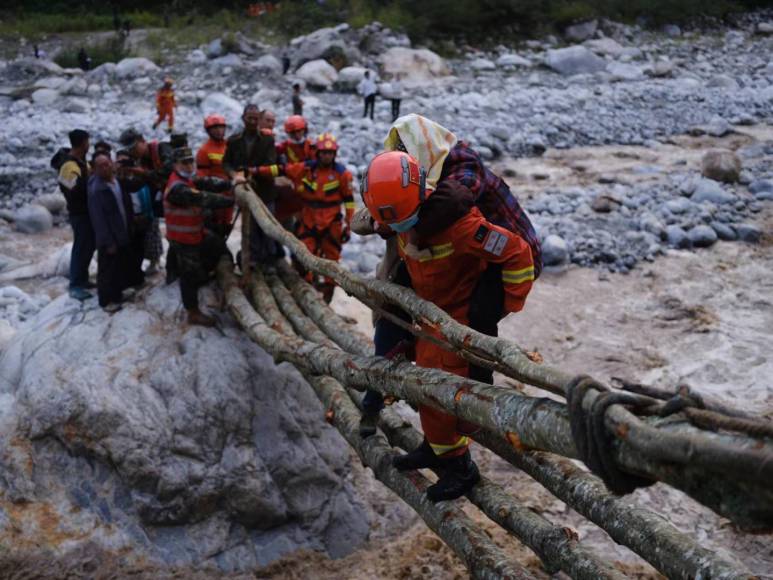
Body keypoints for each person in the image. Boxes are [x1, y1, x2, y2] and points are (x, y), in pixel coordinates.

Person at [361, 150, 536, 502]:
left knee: (447, 393)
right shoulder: (399, 213)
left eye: (397, 223)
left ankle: (460, 469)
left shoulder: (462, 225)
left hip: (457, 320)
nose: (393, 231)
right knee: (428, 390)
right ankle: (437, 448)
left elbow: (517, 253)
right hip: (429, 317)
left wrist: (501, 305)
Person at [356, 114, 543, 437]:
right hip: (467, 254)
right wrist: (382, 216)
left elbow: (453, 202)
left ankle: (478, 400)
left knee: (478, 321)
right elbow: (373, 210)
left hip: (502, 254)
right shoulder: (416, 173)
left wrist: (404, 223)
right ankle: (393, 378)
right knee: (396, 299)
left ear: (421, 146)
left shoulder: (460, 164)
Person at [164, 147, 234, 326]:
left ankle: (208, 274)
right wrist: (232, 200)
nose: (188, 166)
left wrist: (230, 184)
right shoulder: (177, 188)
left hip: (195, 233)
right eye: (184, 163)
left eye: (190, 162)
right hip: (183, 239)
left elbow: (207, 182)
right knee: (189, 275)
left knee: (217, 246)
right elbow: (203, 197)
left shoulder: (188, 179)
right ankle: (192, 312)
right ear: (175, 165)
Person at [285, 133, 354, 303]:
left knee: (332, 262)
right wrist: (255, 171)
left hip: (332, 223)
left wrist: (349, 225)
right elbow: (283, 169)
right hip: (309, 220)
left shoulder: (342, 174)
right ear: (318, 153)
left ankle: (327, 300)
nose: (326, 156)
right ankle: (305, 293)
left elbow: (349, 201)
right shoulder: (307, 168)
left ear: (334, 154)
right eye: (323, 152)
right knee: (302, 256)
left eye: (330, 153)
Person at [222, 103, 282, 265]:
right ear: (243, 118)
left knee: (269, 227)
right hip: (245, 191)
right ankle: (253, 261)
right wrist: (234, 174)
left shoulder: (268, 140)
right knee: (250, 228)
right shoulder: (234, 141)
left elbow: (270, 162)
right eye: (250, 118)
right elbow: (226, 162)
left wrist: (250, 172)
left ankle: (270, 262)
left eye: (256, 118)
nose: (253, 122)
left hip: (265, 191)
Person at [118, 128, 173, 276]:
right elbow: (139, 184)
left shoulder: (162, 149)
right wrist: (120, 178)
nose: (133, 153)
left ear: (142, 141)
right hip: (166, 201)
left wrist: (143, 173)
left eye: (133, 148)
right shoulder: (141, 161)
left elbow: (169, 170)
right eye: (129, 150)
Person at [88, 153, 135, 313]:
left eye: (107, 164)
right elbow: (98, 219)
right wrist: (108, 242)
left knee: (119, 266)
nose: (105, 168)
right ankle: (106, 301)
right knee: (107, 269)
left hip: (120, 231)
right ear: (95, 169)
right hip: (109, 237)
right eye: (101, 166)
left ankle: (118, 294)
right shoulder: (97, 190)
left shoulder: (115, 181)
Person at [57, 129, 96, 301]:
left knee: (88, 245)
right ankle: (75, 284)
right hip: (79, 213)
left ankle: (83, 279)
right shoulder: (68, 166)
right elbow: (72, 190)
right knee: (81, 246)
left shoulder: (80, 162)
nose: (89, 145)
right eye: (87, 142)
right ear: (82, 144)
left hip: (87, 211)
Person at [116, 149, 152, 288]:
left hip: (141, 217)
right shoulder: (114, 180)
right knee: (126, 252)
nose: (123, 165)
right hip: (126, 221)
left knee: (139, 250)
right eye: (120, 162)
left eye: (126, 162)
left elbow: (144, 188)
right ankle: (128, 279)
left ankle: (137, 277)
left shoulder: (136, 178)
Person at [196, 114, 234, 239]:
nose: (218, 131)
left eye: (221, 127)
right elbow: (202, 179)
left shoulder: (229, 146)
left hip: (230, 196)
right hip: (215, 199)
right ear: (208, 131)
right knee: (214, 232)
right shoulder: (204, 151)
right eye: (215, 128)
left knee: (226, 227)